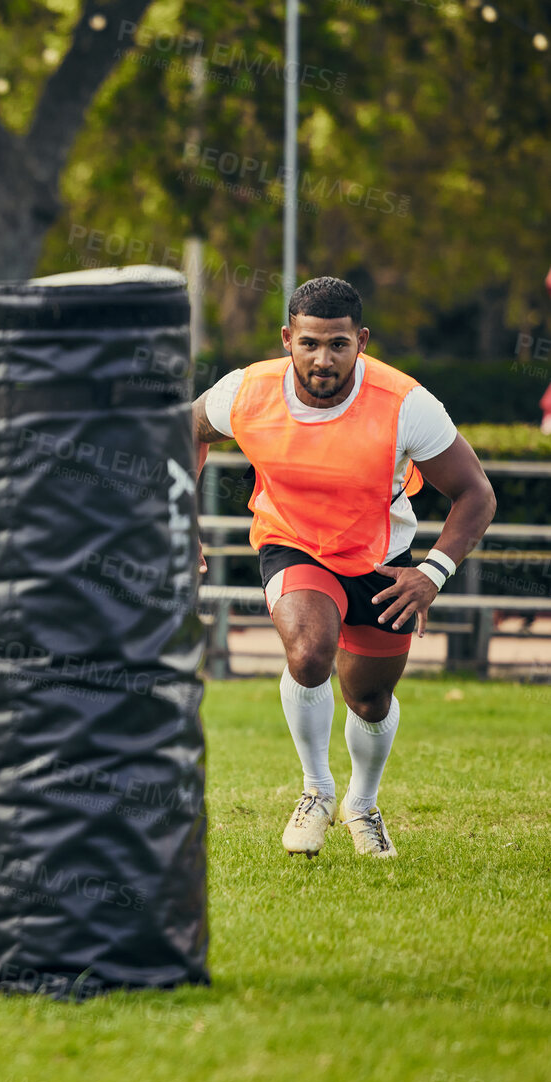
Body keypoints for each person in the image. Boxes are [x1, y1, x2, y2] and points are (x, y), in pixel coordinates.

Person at [193, 277, 495, 859]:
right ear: (288, 339)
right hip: (292, 545)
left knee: (370, 700)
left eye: (337, 344)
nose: (322, 359)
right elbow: (182, 433)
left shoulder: (407, 403)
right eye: (309, 343)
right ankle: (315, 790)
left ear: (361, 341)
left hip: (382, 563)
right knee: (308, 653)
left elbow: (476, 493)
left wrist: (431, 573)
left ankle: (363, 803)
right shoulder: (247, 391)